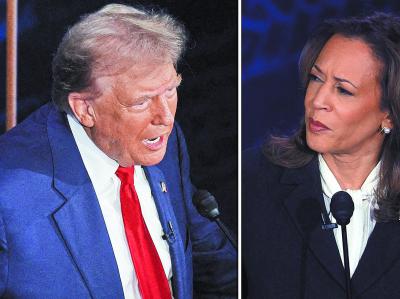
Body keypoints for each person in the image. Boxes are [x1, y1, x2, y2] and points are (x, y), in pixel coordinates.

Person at [0, 4, 237, 298]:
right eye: (141, 102)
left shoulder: (162, 141)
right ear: (85, 109)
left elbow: (214, 265)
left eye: (170, 91)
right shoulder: (9, 198)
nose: (165, 117)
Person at [243, 12, 400, 298]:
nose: (317, 101)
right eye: (316, 79)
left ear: (391, 113)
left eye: (343, 90)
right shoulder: (254, 181)